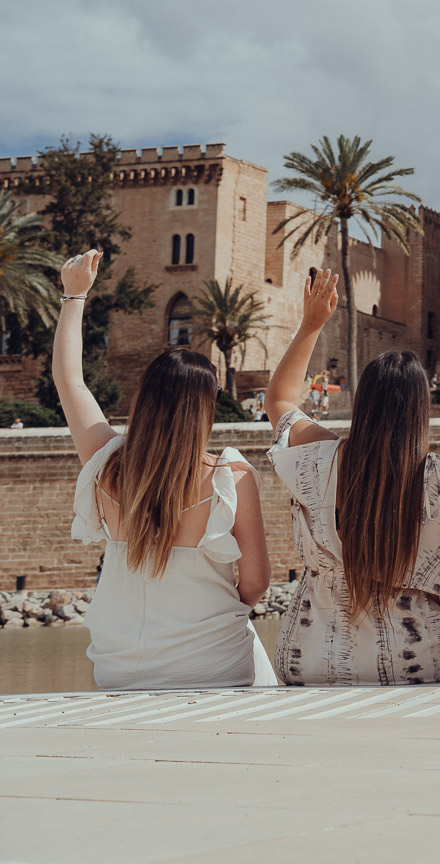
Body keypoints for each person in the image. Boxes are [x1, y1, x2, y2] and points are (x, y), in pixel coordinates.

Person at [55, 250, 274, 689]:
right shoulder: (230, 476)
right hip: (212, 663)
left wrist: (73, 296)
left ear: (145, 399)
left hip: (118, 667)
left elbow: (70, 380)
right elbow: (255, 583)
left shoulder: (107, 465)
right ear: (206, 407)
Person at [266, 269, 440, 684]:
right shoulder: (439, 478)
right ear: (421, 410)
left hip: (312, 657)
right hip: (415, 663)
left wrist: (311, 324)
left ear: (363, 403)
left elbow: (279, 400)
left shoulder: (318, 458)